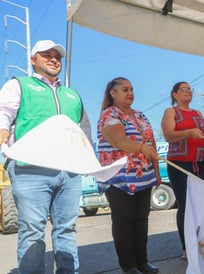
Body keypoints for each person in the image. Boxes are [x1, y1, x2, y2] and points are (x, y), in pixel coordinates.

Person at [0, 40, 91, 273]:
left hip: (69, 172)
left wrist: (89, 158)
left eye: (57, 56)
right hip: (30, 169)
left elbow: (83, 129)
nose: (53, 59)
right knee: (32, 231)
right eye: (46, 55)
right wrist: (2, 133)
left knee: (67, 229)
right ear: (33, 60)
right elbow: (4, 112)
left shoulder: (71, 95)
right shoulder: (19, 85)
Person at [97, 77, 160, 274]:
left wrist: (156, 170)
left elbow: (152, 143)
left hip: (144, 175)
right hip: (119, 178)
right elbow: (118, 140)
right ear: (112, 93)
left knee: (141, 219)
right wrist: (142, 148)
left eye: (132, 89)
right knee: (124, 220)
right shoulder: (109, 114)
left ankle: (142, 261)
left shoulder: (141, 115)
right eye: (125, 89)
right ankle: (128, 265)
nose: (130, 93)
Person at [161, 81, 204, 260]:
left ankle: (202, 242)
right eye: (183, 90)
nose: (188, 92)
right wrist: (187, 133)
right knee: (186, 205)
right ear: (174, 94)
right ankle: (187, 247)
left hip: (199, 163)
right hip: (179, 164)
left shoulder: (197, 113)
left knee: (200, 205)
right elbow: (168, 135)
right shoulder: (171, 112)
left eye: (189, 89)